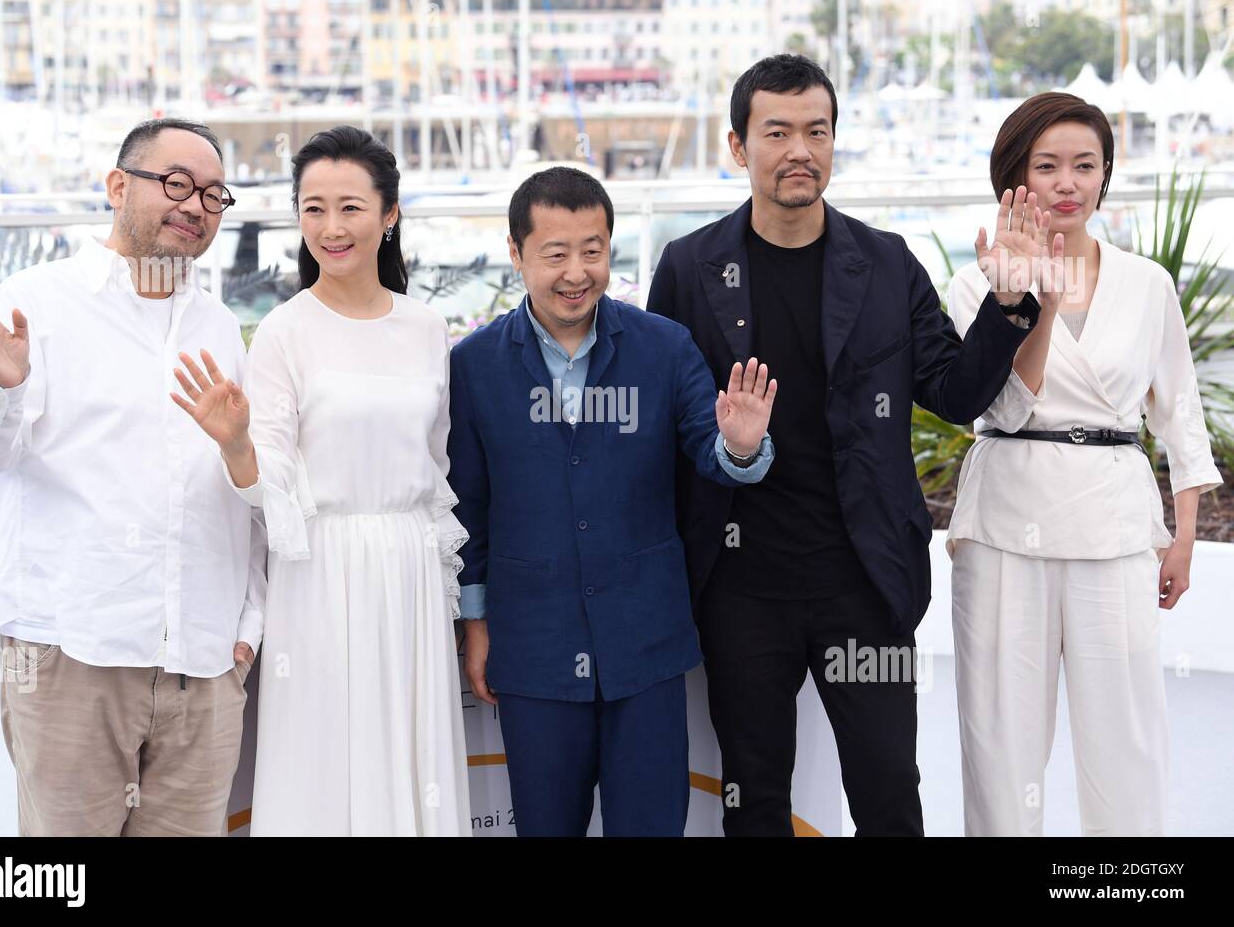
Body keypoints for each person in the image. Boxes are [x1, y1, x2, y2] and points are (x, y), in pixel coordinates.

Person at [645, 54, 1044, 836]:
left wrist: (1006, 304)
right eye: (778, 131)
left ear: (834, 142)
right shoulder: (690, 268)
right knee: (753, 793)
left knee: (889, 790)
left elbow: (958, 395)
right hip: (738, 584)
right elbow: (663, 430)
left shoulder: (887, 262)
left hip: (863, 580)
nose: (801, 149)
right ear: (738, 146)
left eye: (817, 131)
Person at [0, 118, 265, 836]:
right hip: (70, 650)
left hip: (202, 663)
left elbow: (239, 482)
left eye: (213, 195)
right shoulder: (38, 302)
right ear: (118, 186)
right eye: (175, 184)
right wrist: (6, 388)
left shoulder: (218, 325)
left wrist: (248, 623)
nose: (195, 206)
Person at [450, 166, 778, 836]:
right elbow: (469, 507)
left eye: (593, 250)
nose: (577, 272)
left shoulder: (663, 346)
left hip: (646, 643)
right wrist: (476, 624)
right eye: (556, 253)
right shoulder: (473, 364)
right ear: (517, 254)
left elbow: (712, 456)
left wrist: (742, 445)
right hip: (532, 646)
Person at [172, 126, 471, 836]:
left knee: (412, 761)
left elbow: (439, 474)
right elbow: (265, 483)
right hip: (319, 574)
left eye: (349, 207)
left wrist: (449, 595)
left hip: (410, 580)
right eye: (312, 209)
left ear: (389, 214)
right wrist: (237, 444)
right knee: (322, 768)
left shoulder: (429, 328)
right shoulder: (283, 331)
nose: (330, 228)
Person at [945, 91, 1223, 836]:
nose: (1068, 183)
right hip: (1008, 516)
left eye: (1085, 166)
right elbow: (1010, 404)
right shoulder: (978, 280)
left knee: (1126, 735)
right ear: (1016, 179)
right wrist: (1027, 294)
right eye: (1048, 166)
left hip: (1116, 523)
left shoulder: (1148, 283)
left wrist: (1185, 536)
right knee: (1001, 737)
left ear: (1104, 178)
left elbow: (1179, 415)